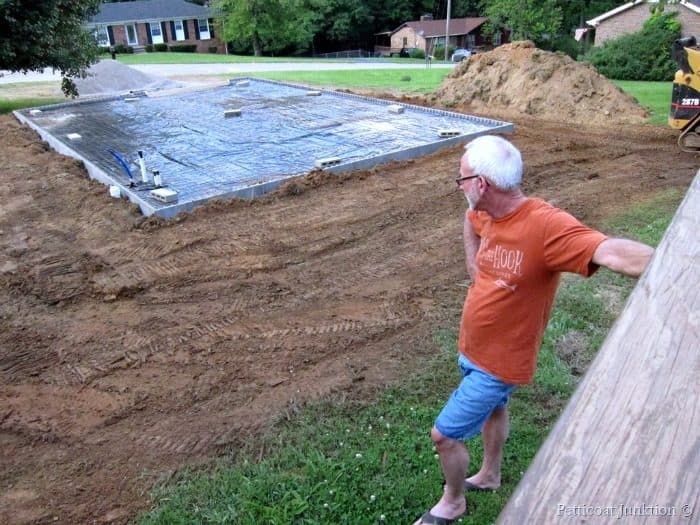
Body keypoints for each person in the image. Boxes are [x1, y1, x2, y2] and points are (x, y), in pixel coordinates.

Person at [413, 135, 654, 525]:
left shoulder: (545, 225)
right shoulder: (484, 210)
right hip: (472, 346)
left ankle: (453, 501)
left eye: (462, 180)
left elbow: (606, 251)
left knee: (445, 435)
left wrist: (680, 261)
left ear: (482, 184)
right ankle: (490, 475)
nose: (460, 188)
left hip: (501, 359)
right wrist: (475, 270)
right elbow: (470, 221)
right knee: (495, 409)